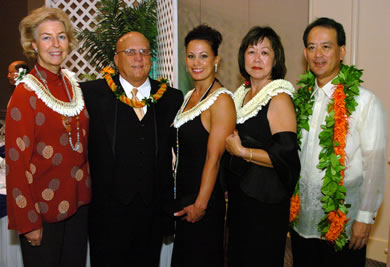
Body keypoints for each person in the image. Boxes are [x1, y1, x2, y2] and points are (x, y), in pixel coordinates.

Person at [290, 17, 387, 267]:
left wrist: (365, 218)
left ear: (342, 51)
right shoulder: (299, 101)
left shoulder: (366, 101)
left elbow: (375, 166)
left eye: (326, 46)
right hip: (302, 221)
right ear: (304, 53)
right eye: (311, 47)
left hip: (344, 222)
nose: (318, 54)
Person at [81, 31, 183, 266]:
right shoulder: (92, 94)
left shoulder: (171, 97)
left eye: (144, 52)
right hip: (107, 213)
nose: (138, 57)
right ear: (116, 60)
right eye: (130, 52)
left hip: (152, 211)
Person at [5, 7, 90, 267]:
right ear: (33, 44)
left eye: (61, 36)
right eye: (46, 37)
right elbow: (15, 163)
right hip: (42, 213)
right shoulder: (25, 93)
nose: (56, 44)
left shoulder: (71, 83)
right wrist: (28, 222)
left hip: (79, 205)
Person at [223, 26, 300, 266]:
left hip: (265, 201)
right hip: (240, 197)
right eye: (251, 51)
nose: (257, 59)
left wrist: (242, 152)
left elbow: (287, 157)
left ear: (275, 59)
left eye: (265, 52)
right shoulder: (241, 95)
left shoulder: (279, 98)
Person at [171, 24, 236, 267]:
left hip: (204, 201)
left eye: (204, 56)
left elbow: (214, 159)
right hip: (184, 196)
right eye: (191, 56)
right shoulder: (189, 97)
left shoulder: (221, 101)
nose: (196, 62)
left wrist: (200, 204)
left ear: (216, 59)